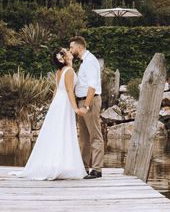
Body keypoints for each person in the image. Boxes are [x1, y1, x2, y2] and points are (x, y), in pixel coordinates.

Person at [10, 47, 86, 180]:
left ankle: (57, 163)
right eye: (66, 51)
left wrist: (52, 106)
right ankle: (60, 164)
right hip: (64, 103)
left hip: (58, 102)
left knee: (57, 132)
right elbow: (69, 91)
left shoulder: (59, 71)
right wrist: (75, 108)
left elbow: (56, 91)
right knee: (63, 131)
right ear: (63, 58)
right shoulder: (69, 71)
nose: (69, 51)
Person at [70, 35, 104, 179]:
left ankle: (96, 169)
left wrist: (86, 106)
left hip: (90, 101)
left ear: (79, 47)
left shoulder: (90, 61)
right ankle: (83, 167)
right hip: (81, 102)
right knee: (83, 137)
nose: (70, 50)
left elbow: (92, 86)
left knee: (95, 136)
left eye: (71, 47)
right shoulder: (84, 62)